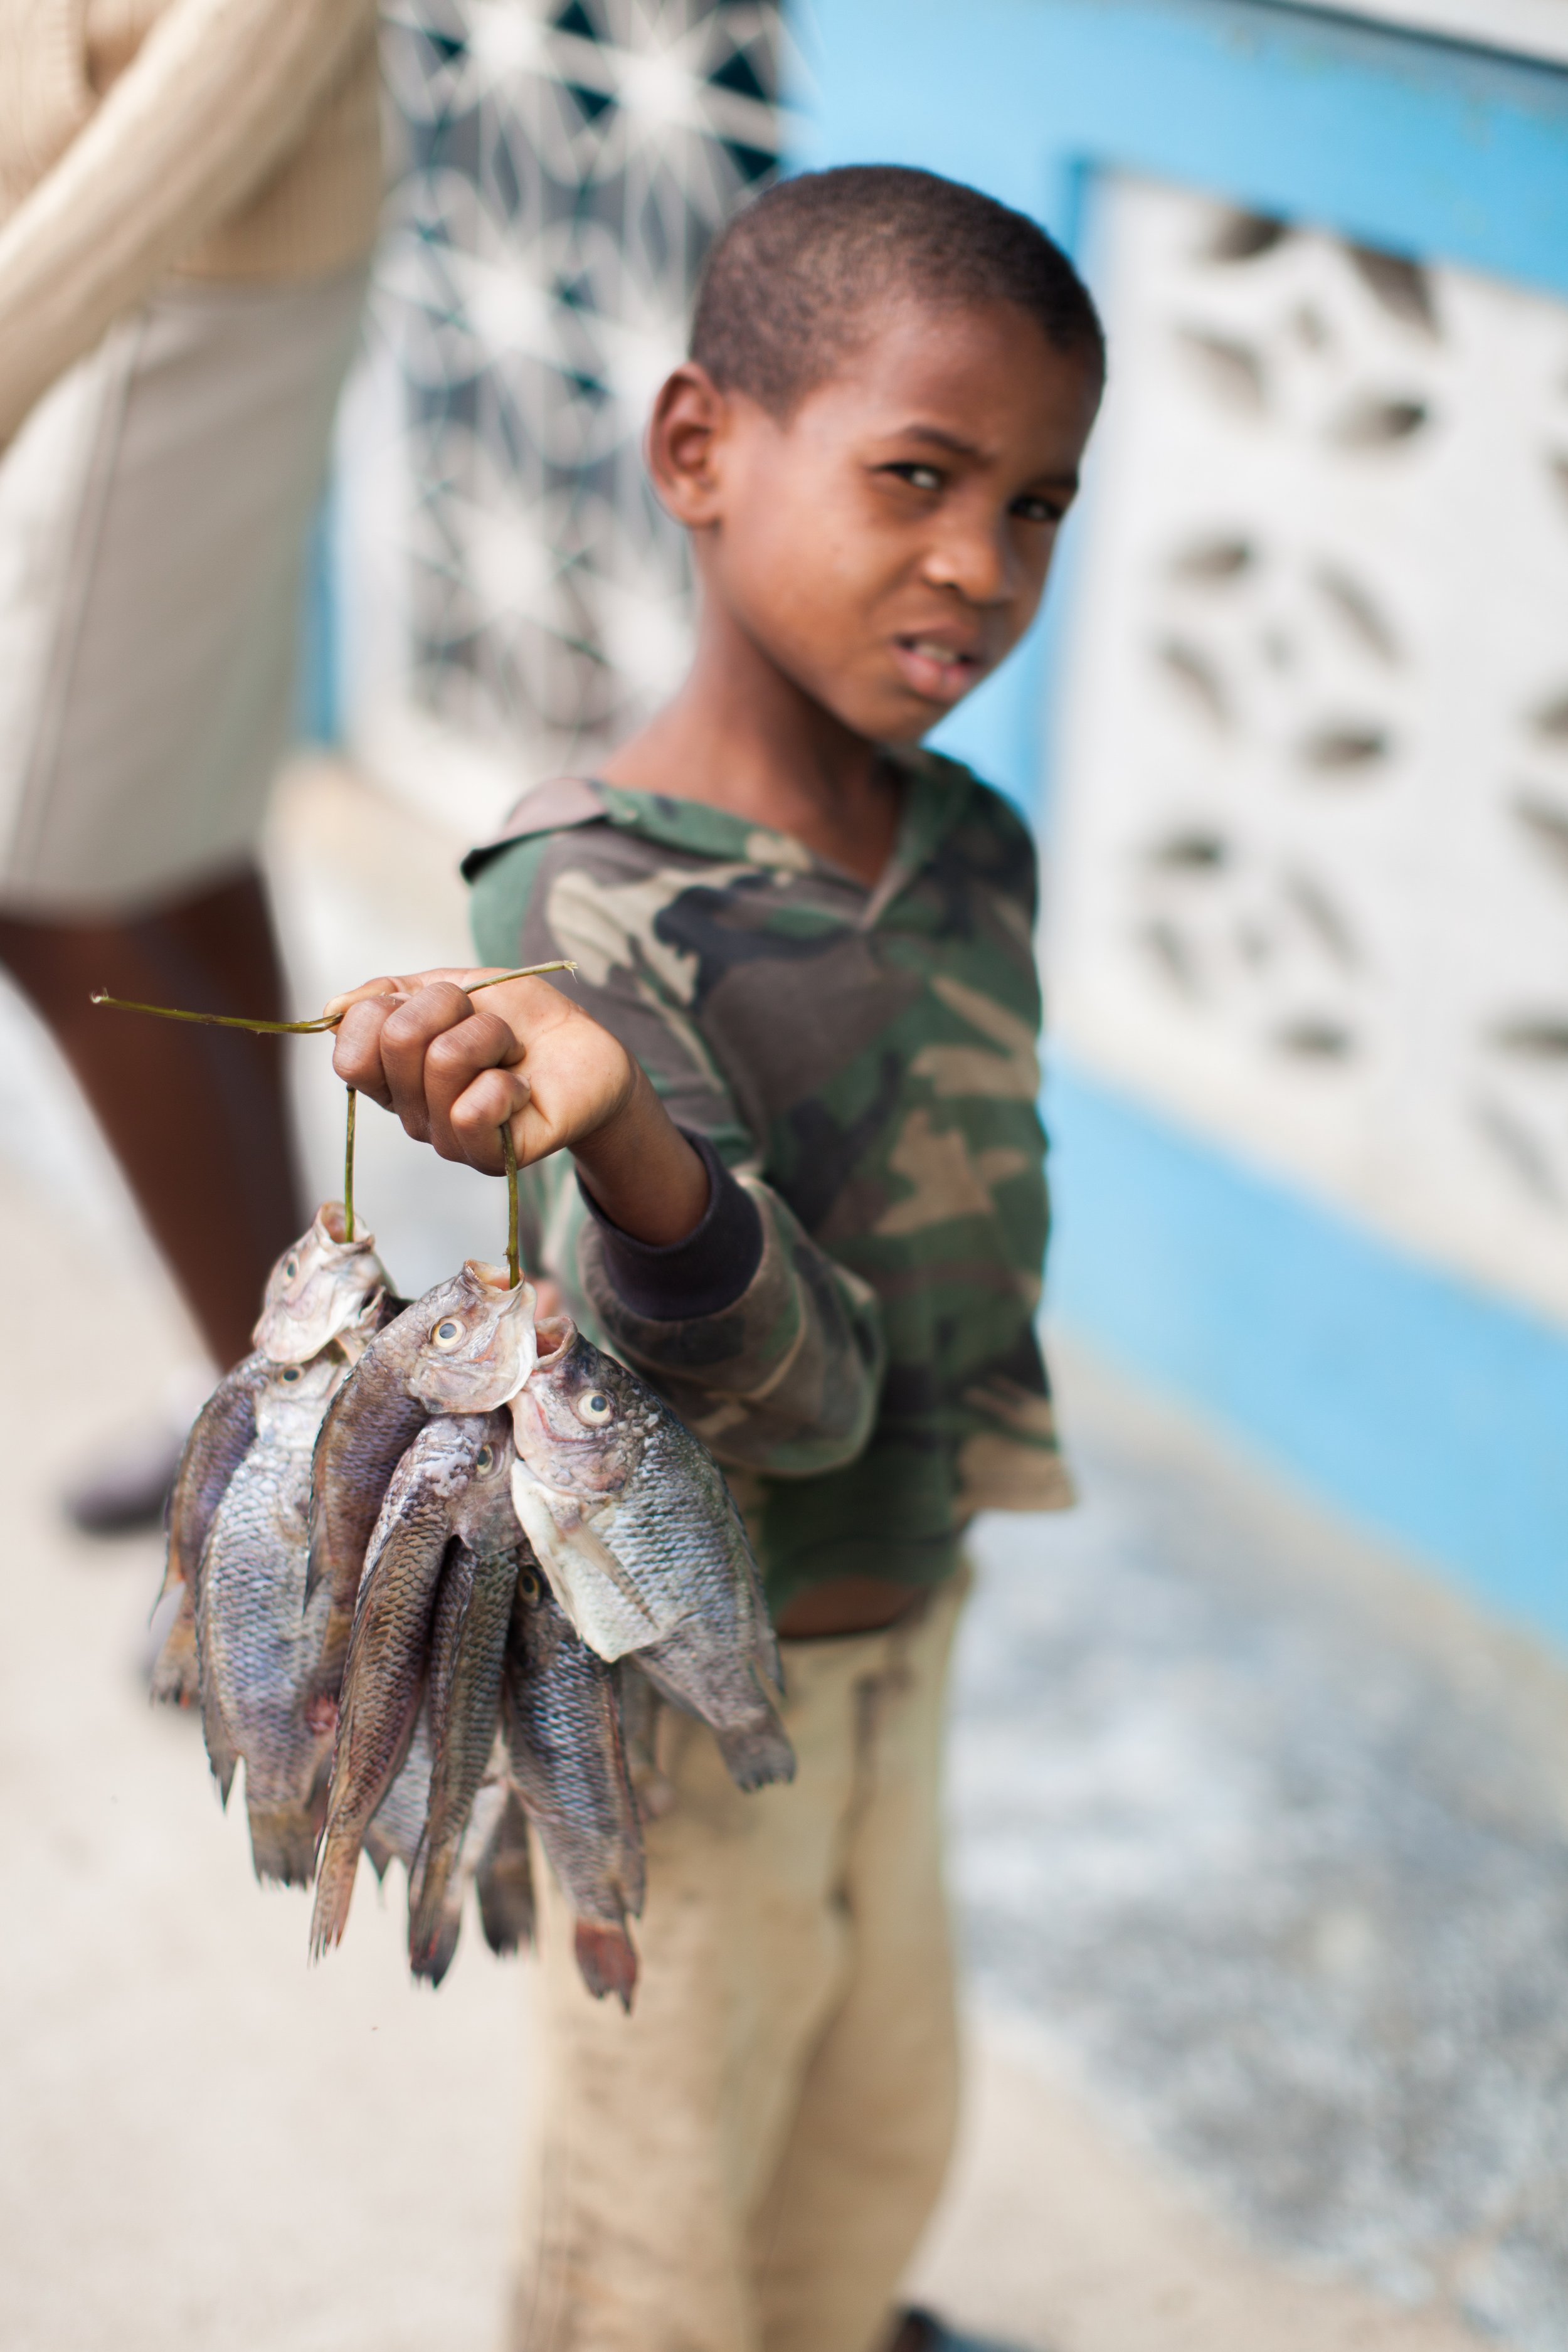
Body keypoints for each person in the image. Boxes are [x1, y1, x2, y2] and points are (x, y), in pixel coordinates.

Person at [328, 165, 1104, 2352]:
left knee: (877, 2117)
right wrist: (636, 1144)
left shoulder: (972, 847)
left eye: (1040, 503)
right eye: (920, 477)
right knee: (660, 2210)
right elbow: (770, 1389)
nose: (983, 562)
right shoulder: (570, 911)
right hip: (679, 1705)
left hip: (900, 1637)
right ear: (700, 452)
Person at [0, 0, 381, 1525]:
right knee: (173, 829)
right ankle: (293, 1380)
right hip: (89, 251)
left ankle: (293, 1493)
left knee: (42, 873)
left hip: (177, 266)